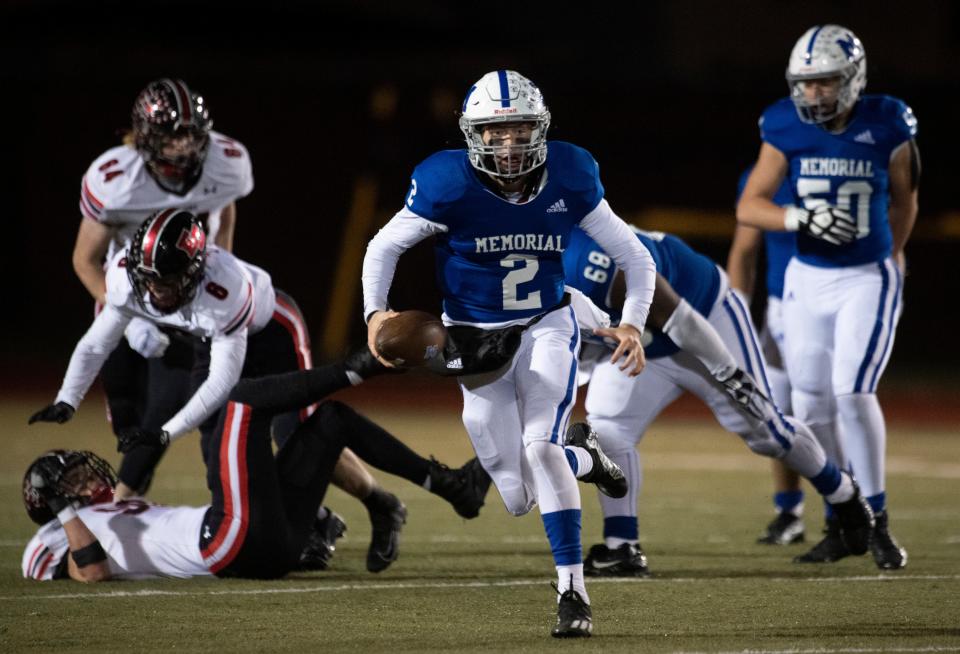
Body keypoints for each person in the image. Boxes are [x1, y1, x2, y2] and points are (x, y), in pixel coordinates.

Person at [362, 70, 657, 638]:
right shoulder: (447, 183)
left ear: (540, 129)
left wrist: (633, 325)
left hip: (546, 324)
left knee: (541, 447)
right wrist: (377, 315)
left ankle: (573, 592)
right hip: (473, 341)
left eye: (520, 129)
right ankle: (589, 459)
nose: (509, 143)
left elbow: (636, 258)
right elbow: (383, 247)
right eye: (495, 132)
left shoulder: (569, 174)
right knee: (516, 494)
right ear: (474, 135)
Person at [30, 210, 491, 570]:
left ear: (195, 269)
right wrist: (67, 399)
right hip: (211, 340)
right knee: (218, 452)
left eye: (169, 280)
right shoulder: (128, 276)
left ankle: (374, 503)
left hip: (268, 333)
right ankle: (318, 519)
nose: (158, 291)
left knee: (299, 430)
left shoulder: (223, 286)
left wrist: (166, 433)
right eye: (150, 279)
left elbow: (226, 385)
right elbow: (96, 343)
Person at [563, 225, 874, 575]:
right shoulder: (528, 258)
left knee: (767, 431)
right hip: (641, 343)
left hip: (703, 315)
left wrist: (728, 372)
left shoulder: (591, 259)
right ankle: (622, 548)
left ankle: (846, 498)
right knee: (608, 429)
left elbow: (676, 316)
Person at [22, 360, 489, 580]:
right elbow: (91, 573)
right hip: (225, 541)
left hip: (266, 544)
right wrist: (65, 511)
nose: (89, 478)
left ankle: (450, 486)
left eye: (83, 471)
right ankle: (359, 365)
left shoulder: (116, 506)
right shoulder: (52, 538)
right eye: (73, 481)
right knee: (243, 399)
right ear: (54, 501)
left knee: (329, 422)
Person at [736, 25, 918, 569]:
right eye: (806, 84)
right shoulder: (782, 124)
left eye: (826, 83)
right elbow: (750, 205)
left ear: (853, 79)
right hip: (805, 281)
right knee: (809, 406)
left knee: (853, 391)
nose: (814, 94)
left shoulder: (888, 122)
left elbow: (906, 201)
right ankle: (846, 516)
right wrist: (799, 216)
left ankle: (878, 520)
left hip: (865, 275)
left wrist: (890, 254)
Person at [74, 78, 253, 494]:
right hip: (127, 301)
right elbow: (84, 260)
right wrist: (128, 319)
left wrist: (220, 264)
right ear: (147, 136)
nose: (185, 145)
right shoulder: (115, 179)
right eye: (173, 134)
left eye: (192, 133)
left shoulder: (226, 163)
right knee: (127, 422)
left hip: (184, 299)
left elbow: (224, 212)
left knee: (166, 408)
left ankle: (122, 505)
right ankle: (129, 503)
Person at [727, 173, 804, 545]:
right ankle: (790, 510)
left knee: (835, 406)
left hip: (838, 302)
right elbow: (744, 250)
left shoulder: (846, 163)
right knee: (778, 410)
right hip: (782, 311)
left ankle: (851, 509)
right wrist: (733, 321)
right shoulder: (763, 179)